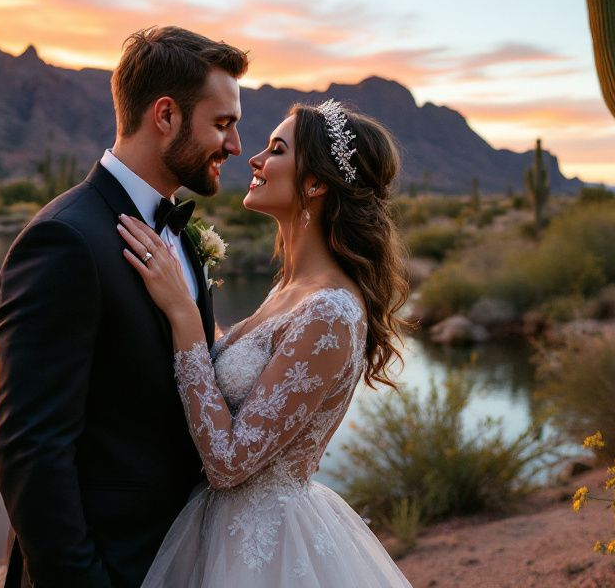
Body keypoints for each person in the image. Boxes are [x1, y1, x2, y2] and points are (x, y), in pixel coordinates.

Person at [118, 99, 414, 586]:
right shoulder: (287, 291)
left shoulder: (330, 312)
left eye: (276, 149)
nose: (254, 159)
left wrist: (184, 317)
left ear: (315, 183)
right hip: (213, 529)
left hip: (267, 550)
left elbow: (229, 463)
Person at [0, 25, 247, 587]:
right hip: (109, 569)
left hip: (180, 555)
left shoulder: (183, 234)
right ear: (165, 116)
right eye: (223, 124)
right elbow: (31, 452)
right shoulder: (64, 241)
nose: (233, 146)